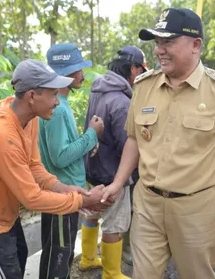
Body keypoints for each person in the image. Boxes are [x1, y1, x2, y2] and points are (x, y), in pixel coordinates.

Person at [100, 8, 215, 279]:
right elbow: (135, 140)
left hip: (197, 209)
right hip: (148, 204)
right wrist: (117, 183)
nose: (160, 50)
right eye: (157, 42)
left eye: (168, 41)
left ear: (196, 45)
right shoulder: (143, 86)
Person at [0, 59, 111, 279]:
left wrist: (63, 188)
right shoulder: (1, 135)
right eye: (53, 95)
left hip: (5, 214)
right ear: (31, 96)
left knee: (18, 262)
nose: (57, 102)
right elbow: (31, 198)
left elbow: (34, 166)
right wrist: (83, 201)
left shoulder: (29, 120)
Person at [37, 43, 104, 279]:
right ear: (68, 74)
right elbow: (60, 156)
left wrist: (87, 143)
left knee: (55, 250)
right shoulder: (58, 109)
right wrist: (92, 133)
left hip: (60, 190)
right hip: (62, 193)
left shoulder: (57, 103)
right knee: (60, 254)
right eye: (79, 69)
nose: (83, 74)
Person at [82, 46, 147, 278]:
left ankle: (88, 258)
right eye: (141, 69)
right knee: (115, 224)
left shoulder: (97, 90)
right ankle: (112, 273)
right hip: (112, 173)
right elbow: (126, 145)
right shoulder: (121, 101)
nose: (141, 75)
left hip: (92, 166)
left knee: (91, 213)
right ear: (133, 68)